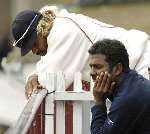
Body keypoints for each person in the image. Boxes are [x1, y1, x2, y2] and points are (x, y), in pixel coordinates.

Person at [11, 5, 150, 98]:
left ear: (40, 30)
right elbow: (45, 67)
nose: (34, 51)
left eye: (34, 44)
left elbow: (50, 82)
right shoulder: (58, 26)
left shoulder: (62, 33)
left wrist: (34, 78)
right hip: (135, 69)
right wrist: (32, 77)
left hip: (141, 65)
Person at [89, 39, 150, 134]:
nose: (92, 73)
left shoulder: (127, 98)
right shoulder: (133, 83)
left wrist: (99, 101)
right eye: (91, 67)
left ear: (117, 68)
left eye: (98, 67)